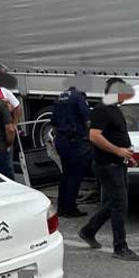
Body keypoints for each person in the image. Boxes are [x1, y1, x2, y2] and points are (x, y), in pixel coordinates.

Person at [79, 79, 139, 261]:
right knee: (120, 205)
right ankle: (120, 247)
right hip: (107, 165)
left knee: (115, 203)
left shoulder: (114, 108)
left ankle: (88, 231)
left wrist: (127, 156)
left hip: (118, 163)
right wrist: (118, 151)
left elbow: (116, 136)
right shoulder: (102, 109)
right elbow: (94, 136)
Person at [52, 74, 92, 218]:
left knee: (66, 174)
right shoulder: (79, 97)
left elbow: (54, 121)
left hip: (62, 141)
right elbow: (87, 120)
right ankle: (70, 208)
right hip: (74, 142)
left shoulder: (60, 96)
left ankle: (62, 207)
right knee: (75, 175)